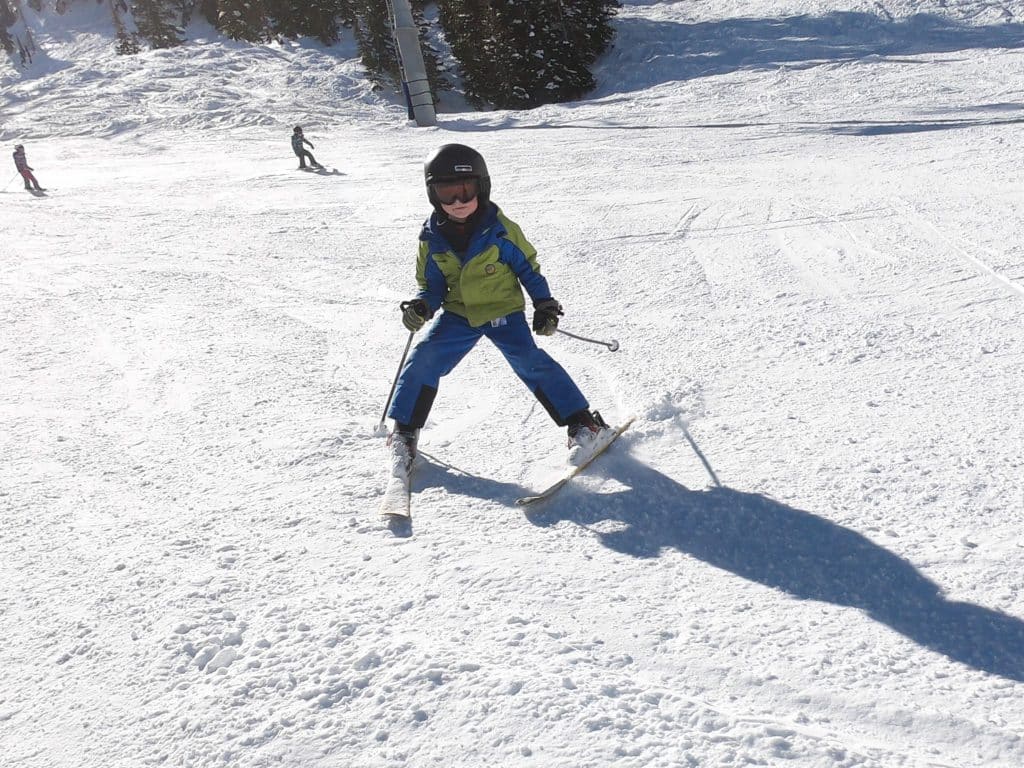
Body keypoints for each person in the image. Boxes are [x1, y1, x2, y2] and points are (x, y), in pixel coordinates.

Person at [386, 143, 610, 472]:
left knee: (529, 360)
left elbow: (528, 269)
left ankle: (586, 426)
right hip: (459, 315)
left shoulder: (501, 231)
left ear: (482, 187)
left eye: (466, 191)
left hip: (502, 311)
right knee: (424, 358)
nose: (458, 202)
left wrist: (544, 304)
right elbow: (433, 286)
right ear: (433, 195)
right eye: (447, 194)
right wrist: (422, 305)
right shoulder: (432, 238)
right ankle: (404, 434)